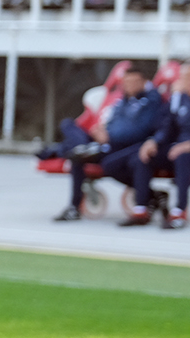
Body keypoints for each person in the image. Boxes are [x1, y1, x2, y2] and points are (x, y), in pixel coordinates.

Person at [55, 65, 162, 221]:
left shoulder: (150, 101)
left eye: (134, 81)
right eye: (126, 82)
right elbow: (113, 122)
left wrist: (109, 137)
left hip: (129, 146)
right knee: (76, 151)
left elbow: (141, 129)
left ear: (143, 82)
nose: (130, 85)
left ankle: (150, 195)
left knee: (109, 164)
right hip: (109, 143)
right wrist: (102, 132)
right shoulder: (123, 101)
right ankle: (74, 207)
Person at [130, 66, 190, 229]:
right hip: (177, 149)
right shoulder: (179, 99)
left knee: (183, 156)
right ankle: (141, 208)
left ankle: (179, 211)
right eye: (183, 76)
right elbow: (166, 126)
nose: (182, 80)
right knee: (145, 155)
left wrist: (186, 146)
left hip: (185, 152)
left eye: (186, 77)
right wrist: (153, 142)